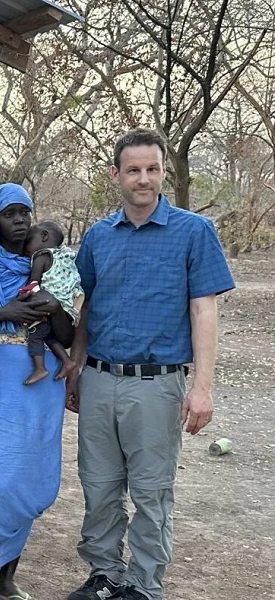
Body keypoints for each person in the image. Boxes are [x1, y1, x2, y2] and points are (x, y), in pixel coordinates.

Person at [64, 129, 234, 600]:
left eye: (153, 169)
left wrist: (202, 387)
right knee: (98, 485)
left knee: (151, 491)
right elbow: (86, 306)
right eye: (134, 170)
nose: (144, 179)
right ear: (116, 175)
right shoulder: (98, 236)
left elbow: (204, 311)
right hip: (99, 378)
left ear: (164, 172)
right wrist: (75, 369)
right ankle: (103, 574)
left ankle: (142, 583)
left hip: (157, 385)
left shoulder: (194, 232)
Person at [0, 183, 75, 600]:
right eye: (10, 213)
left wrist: (54, 306)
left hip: (46, 384)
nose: (20, 221)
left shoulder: (50, 264)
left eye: (26, 212)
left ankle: (5, 579)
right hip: (3, 381)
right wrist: (3, 313)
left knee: (30, 480)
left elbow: (67, 334)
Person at [19, 220, 82, 385]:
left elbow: (33, 285)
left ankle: (40, 368)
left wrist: (21, 298)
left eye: (28, 243)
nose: (25, 250)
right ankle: (67, 361)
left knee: (35, 332)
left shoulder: (41, 256)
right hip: (70, 308)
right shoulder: (66, 254)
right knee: (47, 334)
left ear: (44, 236)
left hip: (52, 304)